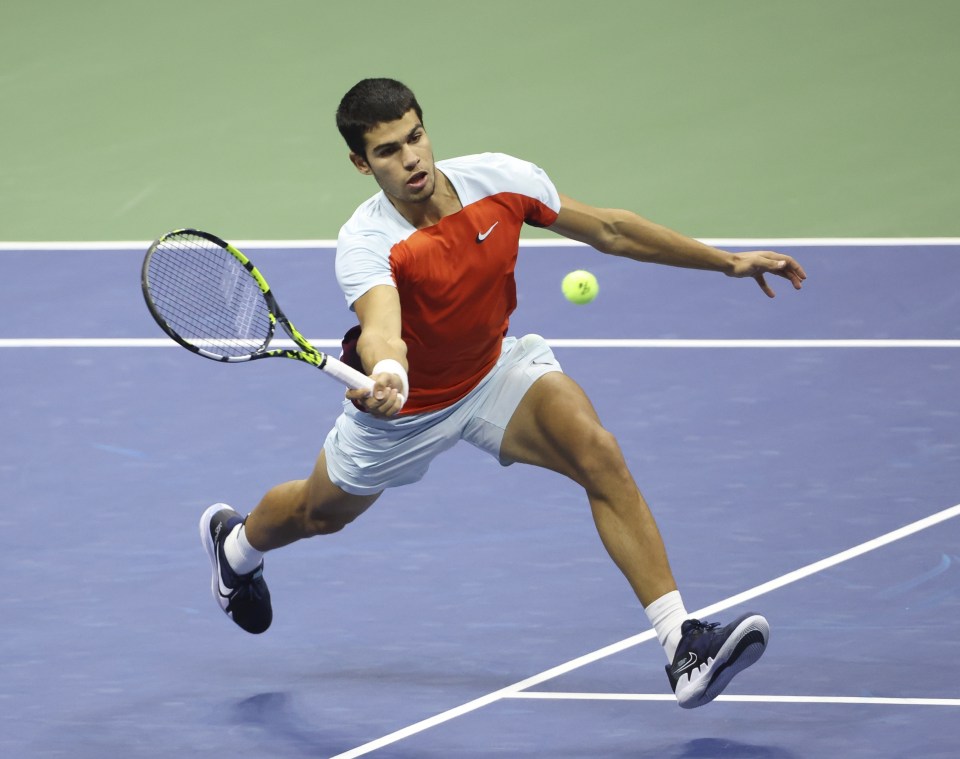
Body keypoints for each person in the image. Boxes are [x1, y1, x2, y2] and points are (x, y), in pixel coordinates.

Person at [200, 77, 806, 709]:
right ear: (361, 163)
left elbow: (612, 229)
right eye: (387, 151)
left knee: (595, 449)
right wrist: (392, 377)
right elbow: (384, 330)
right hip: (406, 409)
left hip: (494, 373)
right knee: (316, 515)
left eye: (415, 137)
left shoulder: (500, 179)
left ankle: (682, 643)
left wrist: (726, 261)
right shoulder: (367, 242)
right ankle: (236, 546)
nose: (410, 159)